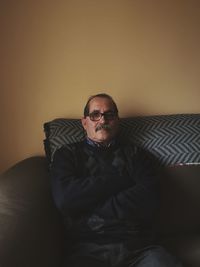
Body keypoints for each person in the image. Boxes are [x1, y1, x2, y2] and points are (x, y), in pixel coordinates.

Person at [51, 93, 182, 267]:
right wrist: (120, 181)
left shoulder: (136, 155)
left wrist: (93, 206)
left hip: (138, 247)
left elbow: (150, 199)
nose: (102, 120)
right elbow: (65, 199)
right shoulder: (67, 155)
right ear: (84, 122)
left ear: (117, 120)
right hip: (86, 250)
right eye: (95, 115)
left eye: (109, 114)